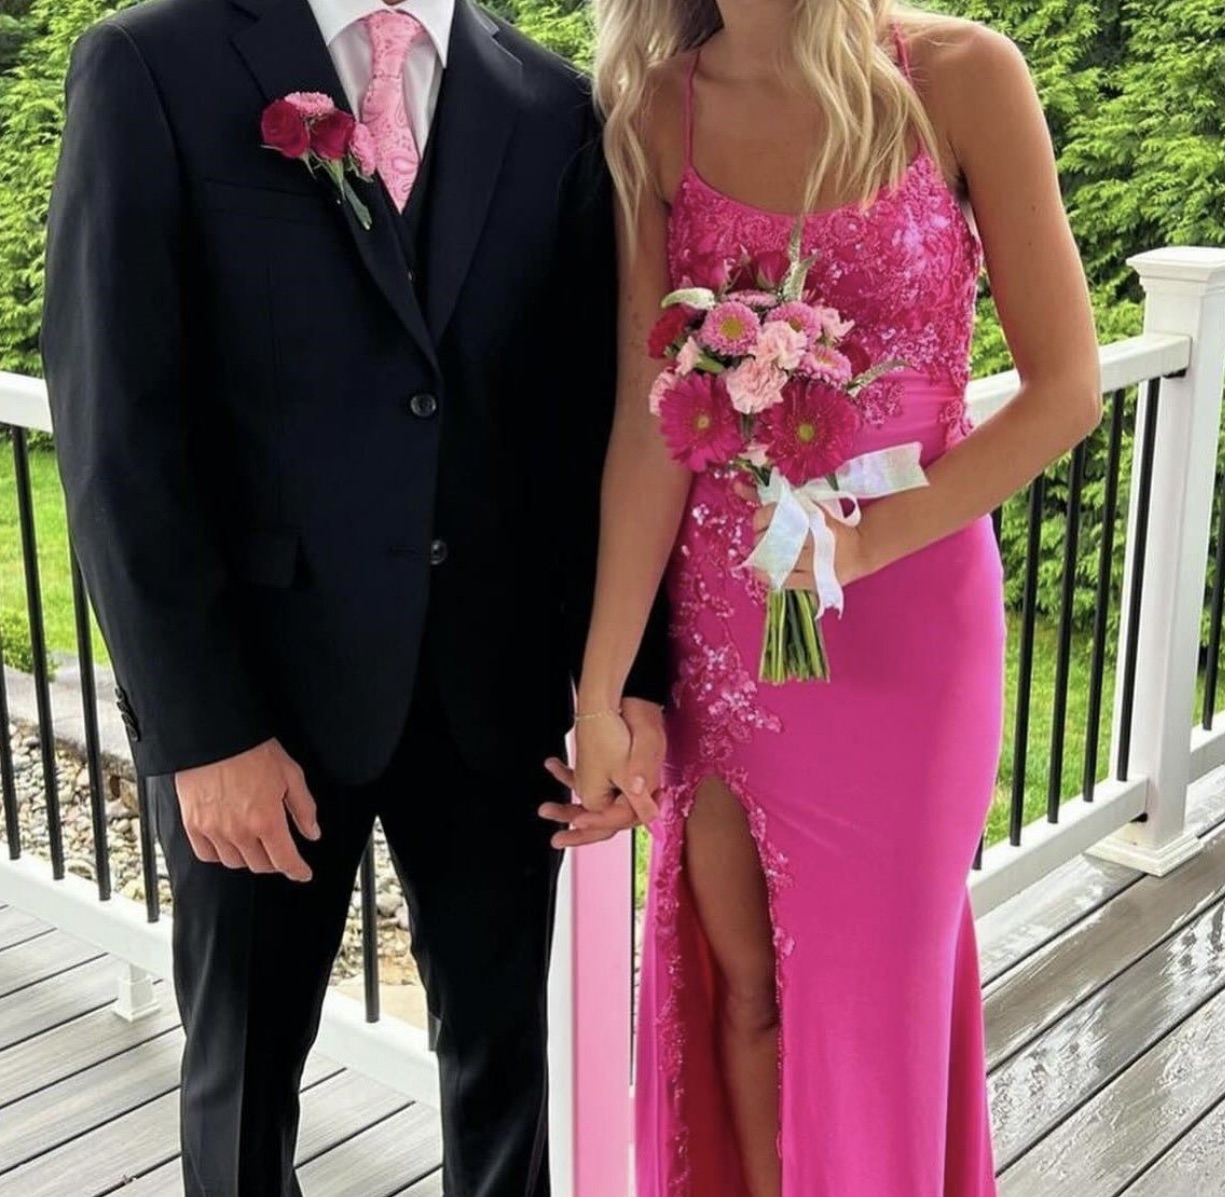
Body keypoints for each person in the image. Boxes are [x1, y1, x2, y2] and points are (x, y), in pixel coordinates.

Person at [40, 0, 668, 1190]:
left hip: (495, 702)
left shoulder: (550, 103)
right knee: (242, 1078)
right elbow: (117, 429)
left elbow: (590, 422)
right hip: (260, 702)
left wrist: (630, 682)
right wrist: (203, 729)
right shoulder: (152, 64)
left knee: (504, 1075)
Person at [543, 1, 1102, 1193]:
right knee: (745, 994)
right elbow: (648, 425)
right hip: (724, 626)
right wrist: (599, 693)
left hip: (910, 622)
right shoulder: (654, 111)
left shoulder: (960, 73)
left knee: (878, 1003)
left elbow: (1064, 391)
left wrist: (865, 544)